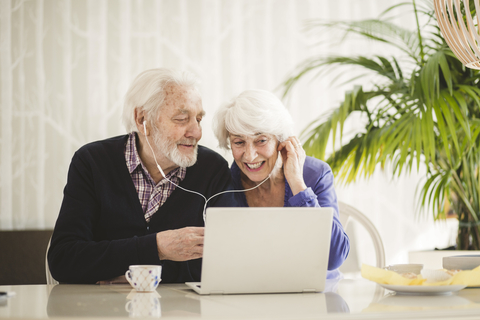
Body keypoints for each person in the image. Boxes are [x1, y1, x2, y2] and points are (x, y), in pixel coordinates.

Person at [48, 68, 236, 284]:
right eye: (182, 119)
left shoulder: (212, 169)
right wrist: (157, 247)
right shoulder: (92, 162)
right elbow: (64, 260)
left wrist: (128, 274)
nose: (196, 132)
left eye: (199, 119)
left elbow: (223, 261)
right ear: (142, 118)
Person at [213, 89, 349, 279]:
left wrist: (297, 183)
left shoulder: (315, 174)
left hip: (316, 296)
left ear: (282, 139)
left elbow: (333, 258)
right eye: (239, 142)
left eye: (261, 140)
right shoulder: (224, 182)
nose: (250, 155)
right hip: (254, 295)